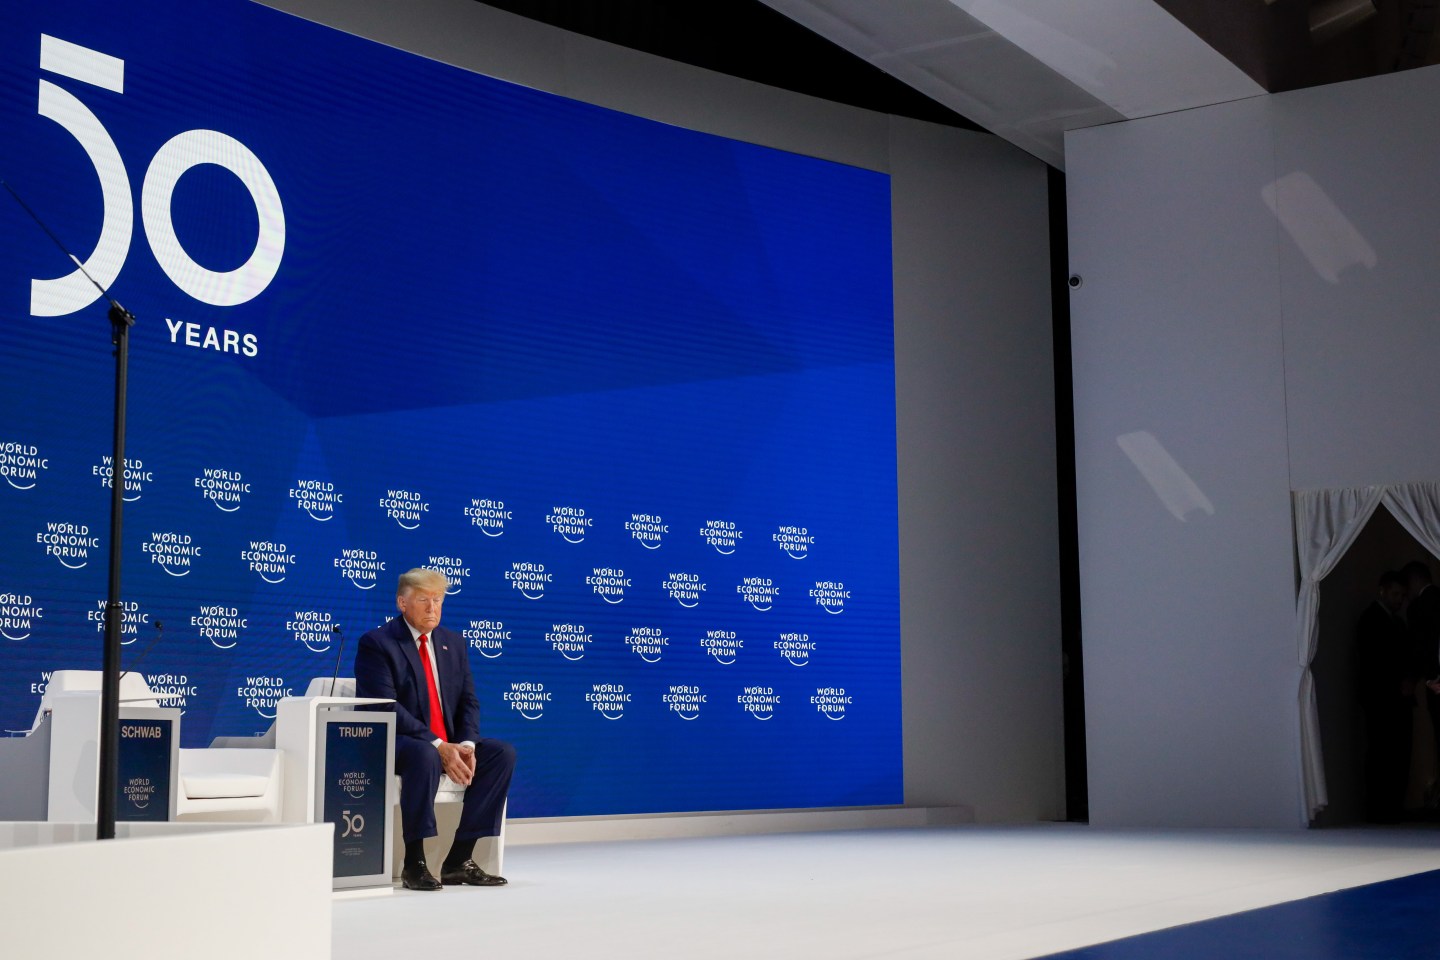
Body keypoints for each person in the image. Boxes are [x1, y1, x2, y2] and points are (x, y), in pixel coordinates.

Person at [355, 568, 516, 890]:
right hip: (399, 741)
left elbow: (468, 701)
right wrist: (438, 745)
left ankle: (459, 859)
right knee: (423, 755)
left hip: (449, 742)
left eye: (438, 600)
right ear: (402, 603)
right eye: (423, 600)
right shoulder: (378, 643)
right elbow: (384, 706)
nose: (432, 608)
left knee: (501, 754)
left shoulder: (453, 643)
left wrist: (466, 745)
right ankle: (414, 862)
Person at [1355, 570, 1415, 822]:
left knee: (1399, 754)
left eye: (1402, 596)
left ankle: (1392, 807)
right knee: (1382, 753)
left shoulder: (1397, 622)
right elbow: (1373, 662)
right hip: (1381, 699)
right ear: (1382, 590)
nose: (1399, 600)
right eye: (1395, 594)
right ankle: (1380, 810)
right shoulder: (1371, 620)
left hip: (1398, 700)